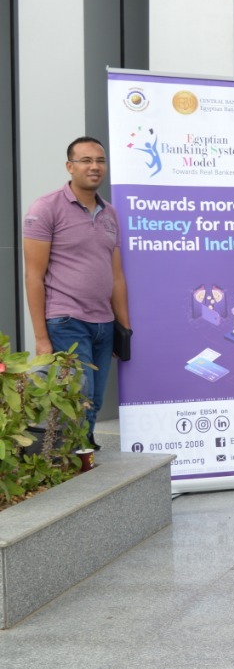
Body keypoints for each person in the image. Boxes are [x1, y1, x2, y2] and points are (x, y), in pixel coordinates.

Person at [22, 136, 131, 445]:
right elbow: (33, 276)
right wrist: (41, 339)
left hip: (103, 324)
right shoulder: (46, 208)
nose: (94, 167)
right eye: (86, 160)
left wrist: (124, 328)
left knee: (93, 399)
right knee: (77, 397)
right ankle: (73, 454)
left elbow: (116, 275)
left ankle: (82, 453)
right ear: (70, 167)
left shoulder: (110, 213)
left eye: (100, 161)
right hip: (66, 321)